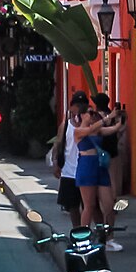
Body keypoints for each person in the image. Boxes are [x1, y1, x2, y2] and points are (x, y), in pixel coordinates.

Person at [75, 96, 125, 249]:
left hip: (100, 168)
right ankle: (82, 240)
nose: (93, 115)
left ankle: (108, 238)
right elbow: (88, 130)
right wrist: (107, 117)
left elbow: (113, 129)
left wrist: (120, 120)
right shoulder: (79, 131)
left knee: (109, 204)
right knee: (89, 206)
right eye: (90, 113)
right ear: (83, 115)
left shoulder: (98, 131)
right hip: (87, 167)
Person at [51, 91, 89, 225]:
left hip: (86, 171)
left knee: (88, 207)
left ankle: (86, 232)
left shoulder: (90, 125)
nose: (78, 109)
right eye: (76, 105)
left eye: (82, 106)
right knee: (73, 207)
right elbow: (58, 144)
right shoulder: (66, 125)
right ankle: (77, 231)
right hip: (69, 171)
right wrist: (55, 162)